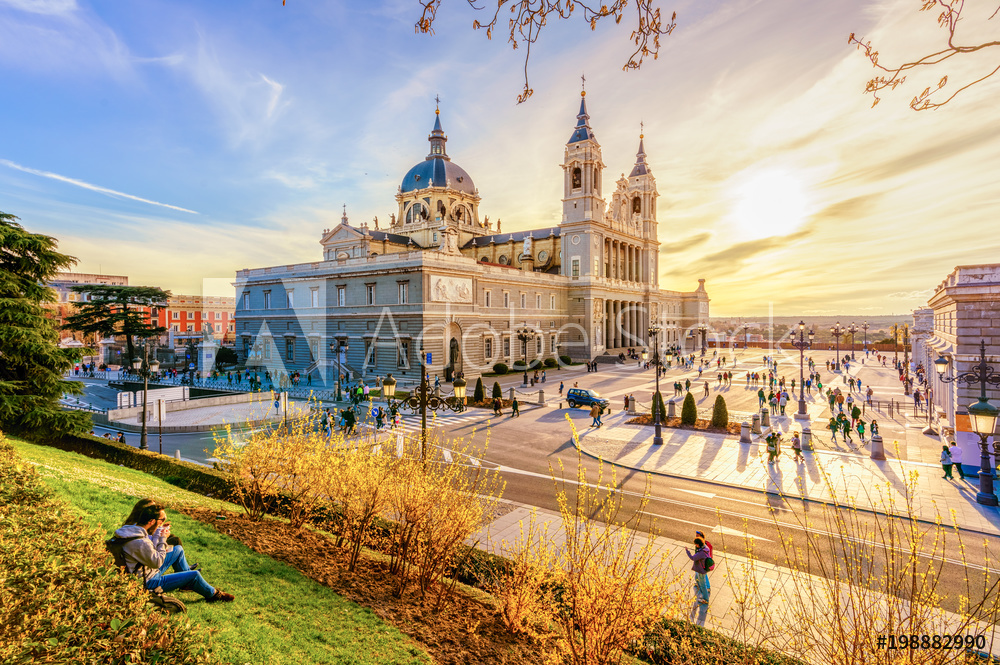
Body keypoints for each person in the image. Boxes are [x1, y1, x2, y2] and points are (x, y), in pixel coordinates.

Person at [114, 500, 233, 603]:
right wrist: (162, 539)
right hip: (148, 581)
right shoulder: (140, 542)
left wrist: (158, 534)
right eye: (161, 520)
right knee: (194, 574)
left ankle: (187, 583)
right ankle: (213, 594)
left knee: (178, 550)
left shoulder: (131, 531)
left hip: (145, 570)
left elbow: (150, 551)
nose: (162, 523)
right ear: (151, 521)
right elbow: (157, 562)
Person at [685, 537, 711, 605]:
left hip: (701, 570)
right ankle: (699, 585)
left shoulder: (701, 553)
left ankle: (705, 599)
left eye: (696, 544)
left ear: (698, 544)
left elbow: (693, 558)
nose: (695, 546)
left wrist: (687, 552)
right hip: (702, 568)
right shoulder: (706, 548)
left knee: (703, 586)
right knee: (697, 578)